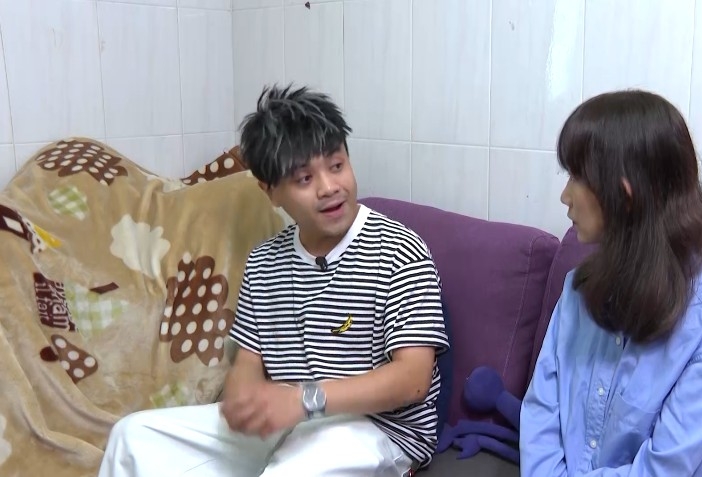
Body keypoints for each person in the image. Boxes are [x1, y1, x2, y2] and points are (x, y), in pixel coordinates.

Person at [98, 84, 450, 477]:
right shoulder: (265, 261)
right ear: (270, 192)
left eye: (337, 166)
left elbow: (412, 379)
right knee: (133, 436)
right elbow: (249, 360)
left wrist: (304, 401)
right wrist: (243, 396)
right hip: (288, 419)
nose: (329, 187)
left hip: (374, 429)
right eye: (304, 178)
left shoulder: (399, 250)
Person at [520, 90, 702, 476]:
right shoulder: (578, 292)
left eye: (577, 177)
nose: (565, 196)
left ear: (625, 195)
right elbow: (541, 416)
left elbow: (664, 470)